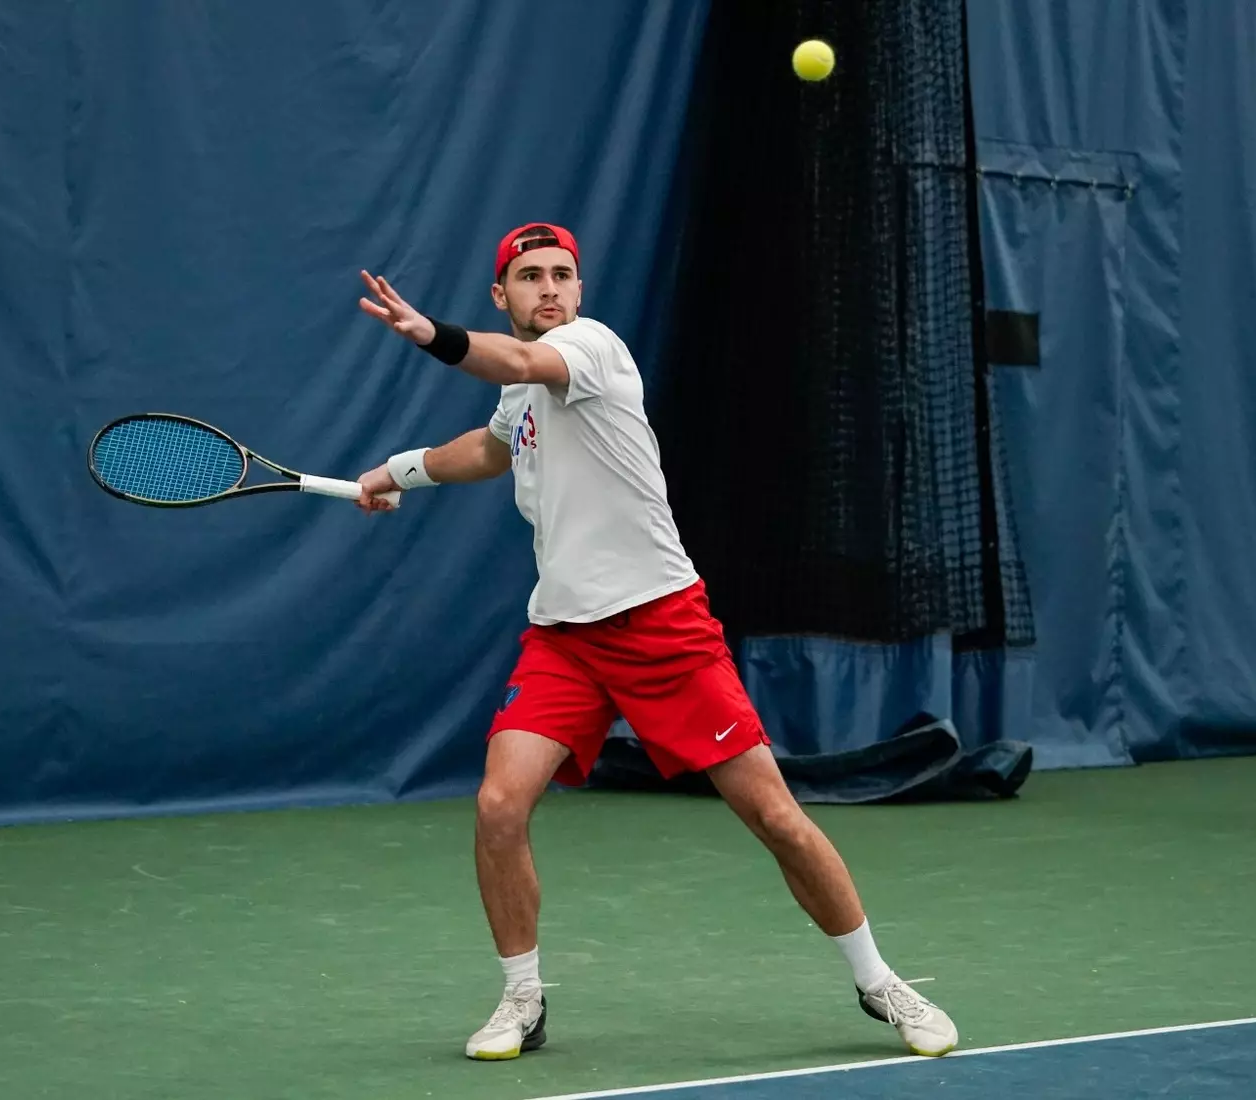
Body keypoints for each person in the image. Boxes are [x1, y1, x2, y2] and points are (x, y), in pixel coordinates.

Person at [352, 223, 958, 1062]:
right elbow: (493, 447)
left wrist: (432, 337)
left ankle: (879, 981)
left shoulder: (588, 348)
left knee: (776, 817)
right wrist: (402, 468)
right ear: (504, 294)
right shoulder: (520, 385)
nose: (551, 289)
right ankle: (522, 1000)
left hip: (661, 625)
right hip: (564, 635)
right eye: (531, 277)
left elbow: (522, 363)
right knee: (498, 805)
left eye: (563, 274)